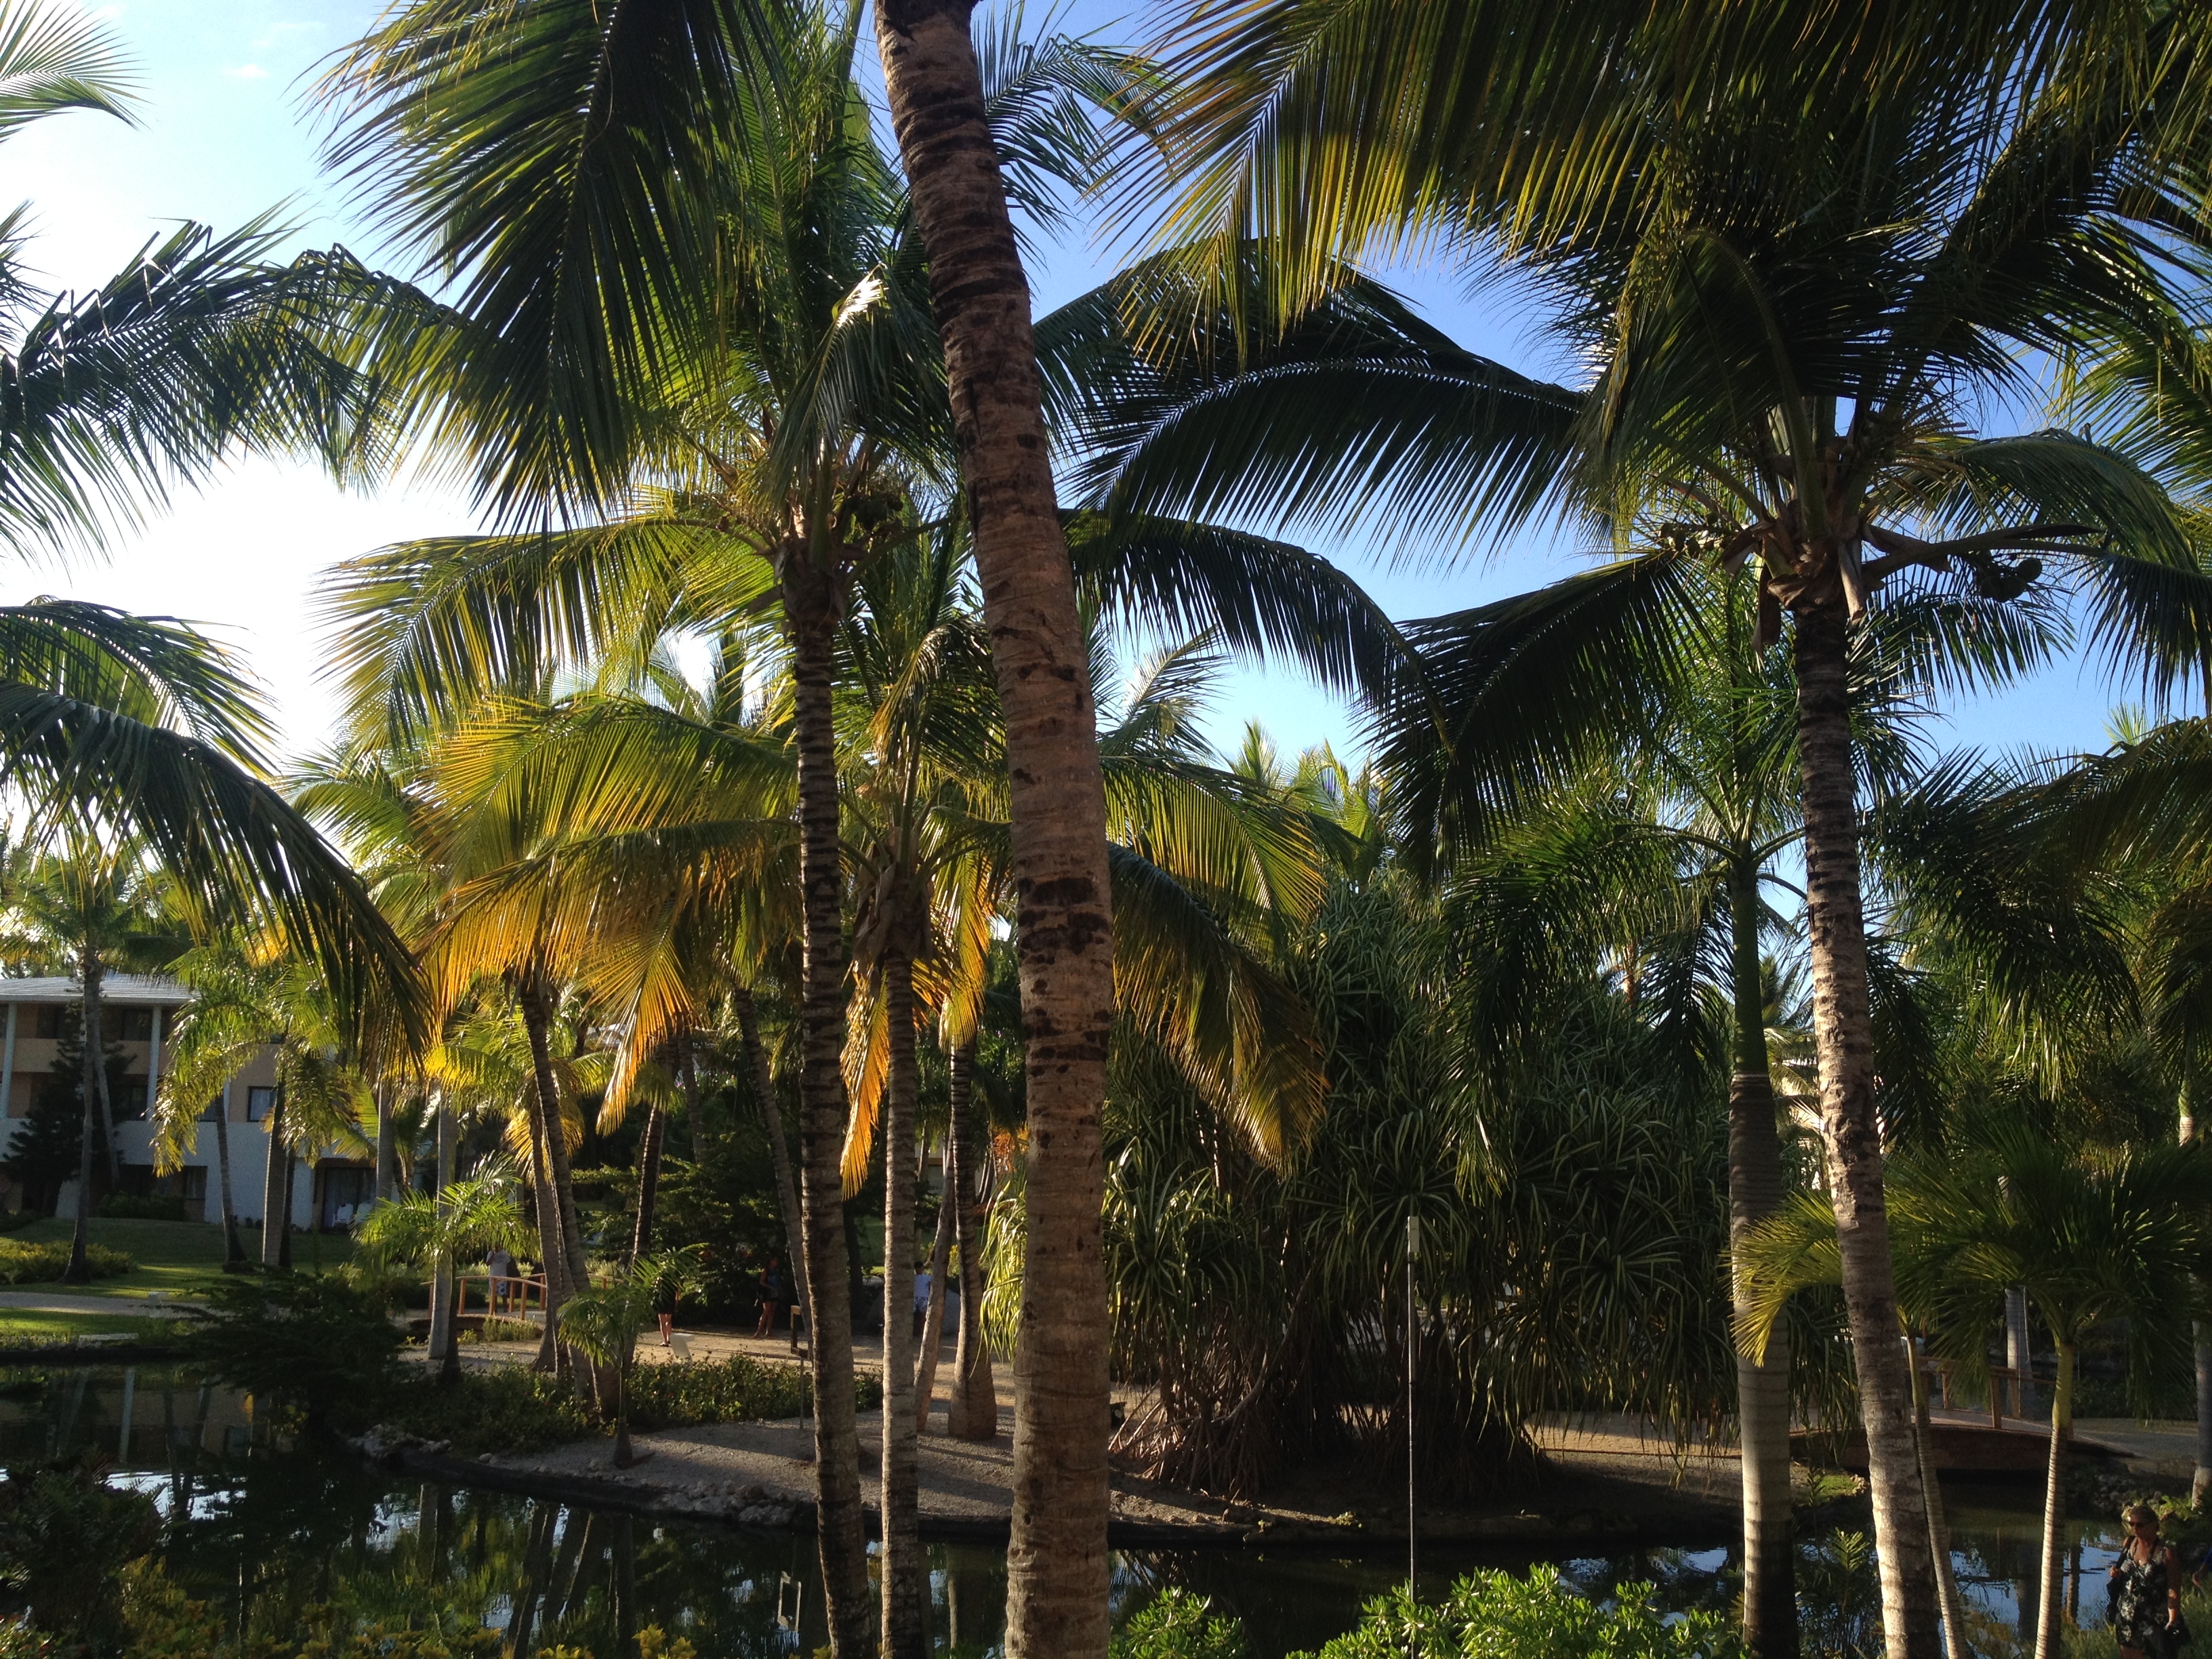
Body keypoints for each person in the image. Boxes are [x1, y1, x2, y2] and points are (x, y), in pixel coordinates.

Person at [2110, 1502, 2184, 1658]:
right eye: (2131, 1524)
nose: (2135, 1529)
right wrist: (2116, 1573)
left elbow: (2174, 1589)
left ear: (2154, 1526)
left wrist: (2173, 1618)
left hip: (2154, 1618)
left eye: (2140, 1525)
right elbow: (2124, 1572)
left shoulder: (2166, 1553)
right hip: (2127, 1615)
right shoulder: (2129, 1543)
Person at [755, 1258, 784, 1340]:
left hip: (776, 1292)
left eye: (776, 1261)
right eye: (774, 1261)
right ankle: (759, 1331)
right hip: (767, 1293)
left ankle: (768, 1332)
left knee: (772, 1312)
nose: (775, 1263)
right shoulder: (766, 1270)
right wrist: (770, 1287)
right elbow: (761, 1282)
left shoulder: (777, 1271)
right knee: (766, 1311)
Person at [487, 1245, 518, 1316]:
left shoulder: (504, 1253)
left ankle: (505, 1310)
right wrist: (493, 1255)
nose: (496, 1248)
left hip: (502, 1276)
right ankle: (494, 1310)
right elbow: (488, 1263)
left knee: (503, 1293)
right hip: (493, 1276)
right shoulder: (491, 1253)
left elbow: (509, 1262)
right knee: (494, 1294)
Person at [913, 1266, 933, 1339]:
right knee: (914, 1315)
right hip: (915, 1297)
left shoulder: (927, 1277)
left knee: (923, 1315)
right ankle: (915, 1331)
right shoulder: (914, 1278)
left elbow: (931, 1286)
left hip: (924, 1297)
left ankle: (922, 1332)